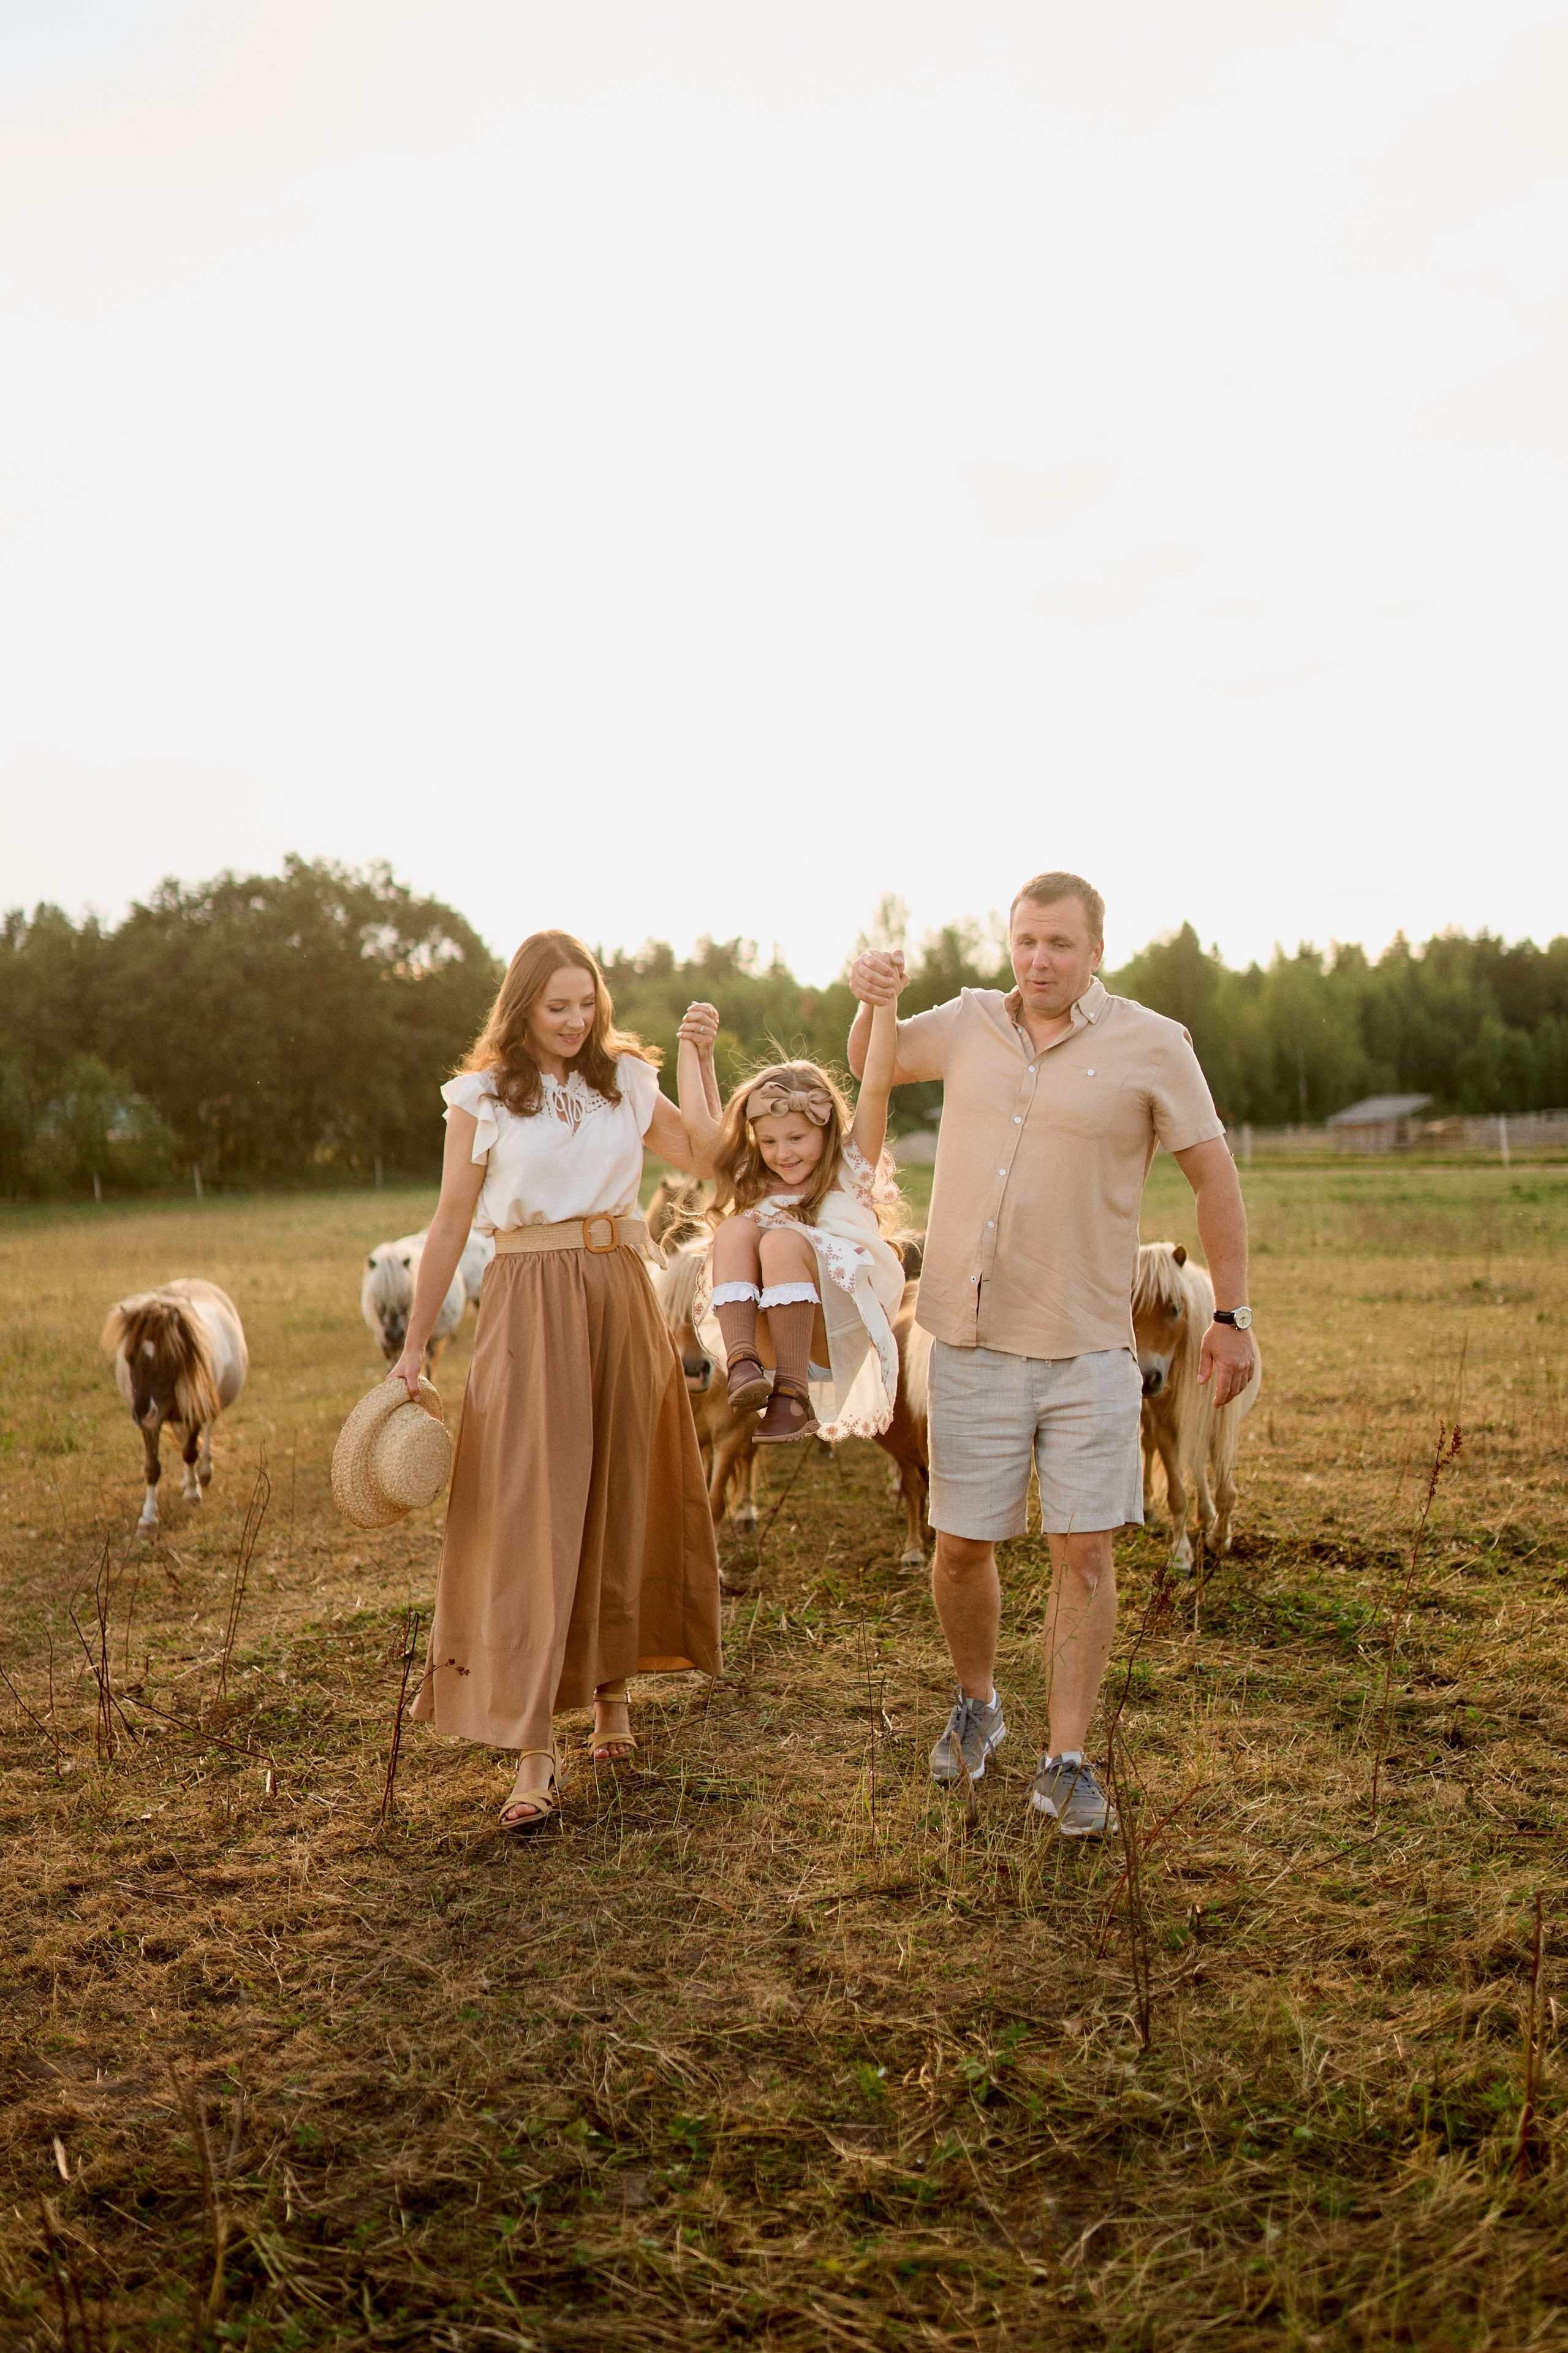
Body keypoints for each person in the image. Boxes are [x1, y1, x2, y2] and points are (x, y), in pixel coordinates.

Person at [848, 873, 1257, 1837]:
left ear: (1095, 951)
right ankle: (978, 1699)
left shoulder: (1155, 1044)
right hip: (971, 1335)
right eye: (1025, 941)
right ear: (1009, 944)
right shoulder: (964, 1024)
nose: (1039, 960)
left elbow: (1213, 1175)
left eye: (1059, 945)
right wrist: (871, 999)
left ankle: (1065, 1757)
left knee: (1082, 1554)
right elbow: (875, 1061)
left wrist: (1230, 1312)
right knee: (959, 1548)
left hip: (1087, 1344)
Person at [390, 931, 724, 1833]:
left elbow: (707, 1154)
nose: (576, 1021)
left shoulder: (624, 1081)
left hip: (621, 1288)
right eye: (557, 1006)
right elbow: (452, 1218)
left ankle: (612, 1691)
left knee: (618, 1488)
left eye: (587, 1004)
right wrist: (415, 1343)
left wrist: (696, 1057)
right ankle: (533, 1742)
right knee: (530, 1508)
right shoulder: (484, 1096)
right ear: (523, 1006)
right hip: (527, 1297)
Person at [674, 986, 909, 1445]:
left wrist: (885, 1002)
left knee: (780, 1240)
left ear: (825, 1128)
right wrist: (692, 1047)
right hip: (771, 1344)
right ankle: (744, 1365)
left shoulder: (850, 1166)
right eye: (769, 1142)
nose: (782, 1154)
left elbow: (878, 1081)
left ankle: (794, 1397)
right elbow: (701, 1127)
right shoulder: (756, 1179)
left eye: (796, 1138)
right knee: (736, 1228)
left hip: (833, 1332)